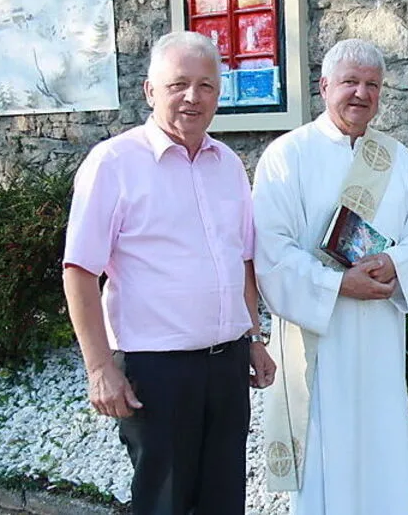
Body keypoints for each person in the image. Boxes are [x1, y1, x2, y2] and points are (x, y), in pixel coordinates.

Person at [62, 31, 277, 515]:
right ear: (149, 91)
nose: (192, 97)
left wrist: (255, 336)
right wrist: (99, 369)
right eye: (179, 83)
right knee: (166, 503)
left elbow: (238, 258)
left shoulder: (229, 166)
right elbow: (78, 271)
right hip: (157, 370)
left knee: (224, 501)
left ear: (219, 94)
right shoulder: (114, 163)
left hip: (227, 364)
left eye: (206, 85)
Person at [252, 38, 408, 513]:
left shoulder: (394, 157)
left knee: (380, 441)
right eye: (351, 82)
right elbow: (270, 250)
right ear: (324, 86)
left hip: (378, 331)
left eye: (372, 85)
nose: (361, 93)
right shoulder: (286, 156)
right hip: (317, 334)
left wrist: (395, 263)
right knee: (322, 447)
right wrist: (339, 285)